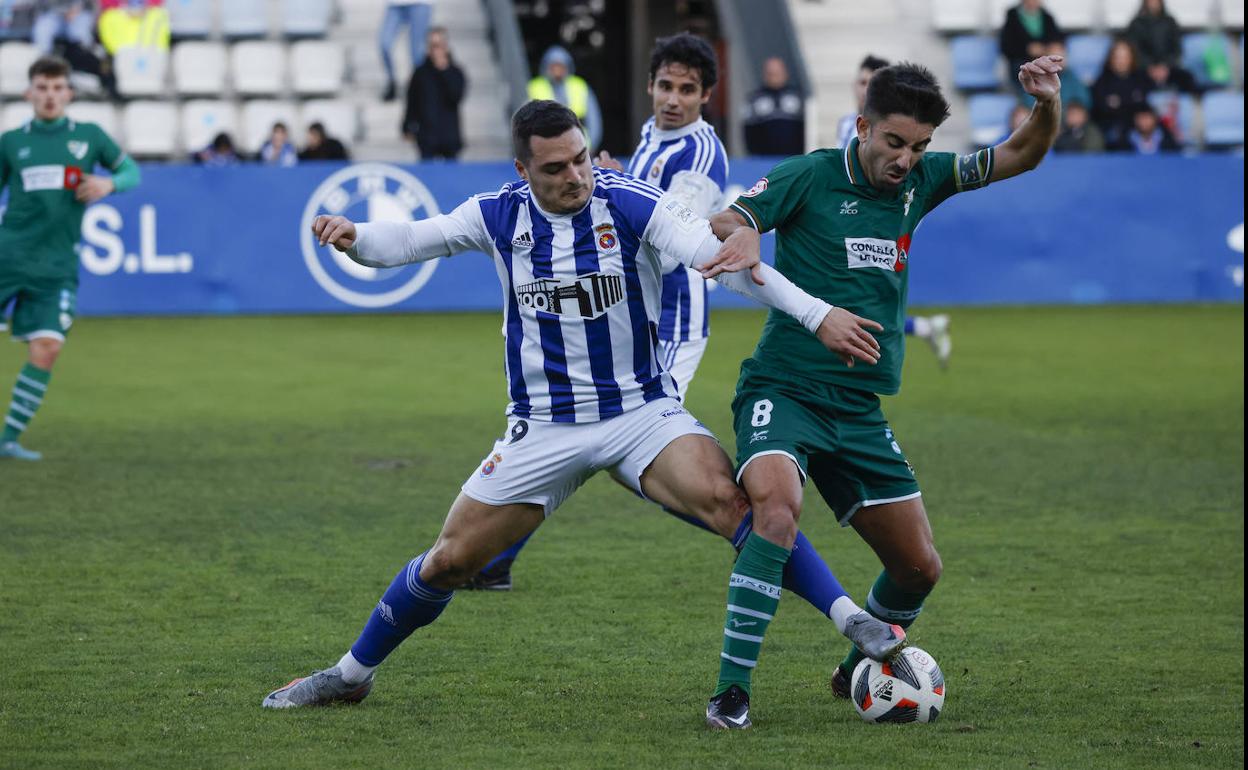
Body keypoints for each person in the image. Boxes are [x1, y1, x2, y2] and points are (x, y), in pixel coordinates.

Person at [261, 100, 906, 717]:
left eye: (580, 159)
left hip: (641, 413)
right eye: (554, 168)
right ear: (523, 171)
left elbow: (722, 261)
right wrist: (354, 236)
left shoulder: (628, 204)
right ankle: (350, 676)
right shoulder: (496, 216)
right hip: (544, 426)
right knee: (450, 562)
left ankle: (850, 617)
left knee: (738, 506)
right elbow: (407, 240)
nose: (574, 176)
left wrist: (815, 313)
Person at [703, 55, 1064, 725]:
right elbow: (730, 220)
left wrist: (1046, 103)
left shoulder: (922, 182)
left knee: (919, 567)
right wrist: (749, 231)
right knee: (777, 513)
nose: (906, 159)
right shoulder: (809, 174)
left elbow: (1021, 154)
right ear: (863, 126)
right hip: (784, 389)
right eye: (894, 142)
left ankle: (856, 671)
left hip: (859, 411)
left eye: (919, 147)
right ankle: (732, 692)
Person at [467, 32, 730, 590]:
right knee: (587, 430)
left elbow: (678, 225)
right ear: (650, 85)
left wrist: (616, 180)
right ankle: (494, 558)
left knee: (633, 442)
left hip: (674, 322)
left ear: (706, 95)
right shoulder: (650, 137)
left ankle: (746, 527)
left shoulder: (701, 150)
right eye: (665, 85)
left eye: (687, 89)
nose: (673, 99)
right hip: (630, 315)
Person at [0, 56, 140, 461]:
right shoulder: (11, 142)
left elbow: (132, 173)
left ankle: (8, 439)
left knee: (47, 348)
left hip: (56, 266)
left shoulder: (90, 136)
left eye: (57, 88)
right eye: (42, 88)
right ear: (29, 92)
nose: (49, 96)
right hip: (8, 258)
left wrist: (108, 182)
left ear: (69, 93)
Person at [837, 54, 953, 368]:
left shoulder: (899, 135)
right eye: (861, 82)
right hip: (849, 213)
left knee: (864, 297)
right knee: (855, 298)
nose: (864, 89)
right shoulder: (847, 124)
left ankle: (919, 330)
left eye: (869, 83)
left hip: (884, 214)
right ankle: (925, 327)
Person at [402, 26, 466, 160]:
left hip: (449, 135)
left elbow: (456, 96)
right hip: (426, 135)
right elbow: (412, 100)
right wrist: (407, 125)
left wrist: (444, 71)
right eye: (432, 46)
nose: (435, 50)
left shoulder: (455, 72)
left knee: (452, 175)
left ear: (446, 46)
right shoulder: (420, 73)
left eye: (439, 45)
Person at [527, 45, 602, 152]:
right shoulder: (534, 87)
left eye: (561, 66)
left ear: (568, 67)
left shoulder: (580, 86)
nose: (557, 71)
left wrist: (592, 145)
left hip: (578, 144)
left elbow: (594, 120)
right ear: (546, 67)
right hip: (546, 148)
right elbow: (525, 123)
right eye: (554, 66)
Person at [1125, 0, 1197, 94]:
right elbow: (1134, 50)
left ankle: (1192, 106)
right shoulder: (1136, 24)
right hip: (1144, 70)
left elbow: (1177, 49)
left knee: (1187, 78)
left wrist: (1165, 66)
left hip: (1169, 68)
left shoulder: (1170, 22)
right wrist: (1149, 67)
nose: (1153, 3)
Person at [1092, 39, 1151, 149]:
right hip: (1110, 128)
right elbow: (1102, 109)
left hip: (1137, 128)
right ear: (1111, 59)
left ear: (1132, 58)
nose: (1121, 61)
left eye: (1125, 57)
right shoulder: (1102, 82)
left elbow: (1143, 107)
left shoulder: (1141, 79)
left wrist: (1119, 103)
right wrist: (1130, 102)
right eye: (1117, 57)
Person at [742, 56, 804, 156]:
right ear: (764, 74)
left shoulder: (798, 97)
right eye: (770, 73)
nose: (774, 76)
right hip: (763, 160)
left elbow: (805, 128)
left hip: (793, 158)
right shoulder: (754, 98)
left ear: (785, 73)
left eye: (777, 73)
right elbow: (748, 130)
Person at [378, 0, 432, 102]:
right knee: (384, 44)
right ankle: (392, 82)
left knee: (417, 53)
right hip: (395, 4)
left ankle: (419, 86)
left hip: (420, 3)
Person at [999, 0, 1063, 84]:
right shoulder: (1013, 17)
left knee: (1065, 73)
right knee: (1035, 78)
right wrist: (1027, 50)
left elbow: (1057, 39)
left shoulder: (1047, 17)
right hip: (1022, 63)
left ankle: (1073, 96)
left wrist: (1054, 48)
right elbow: (1006, 47)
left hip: (1046, 61)